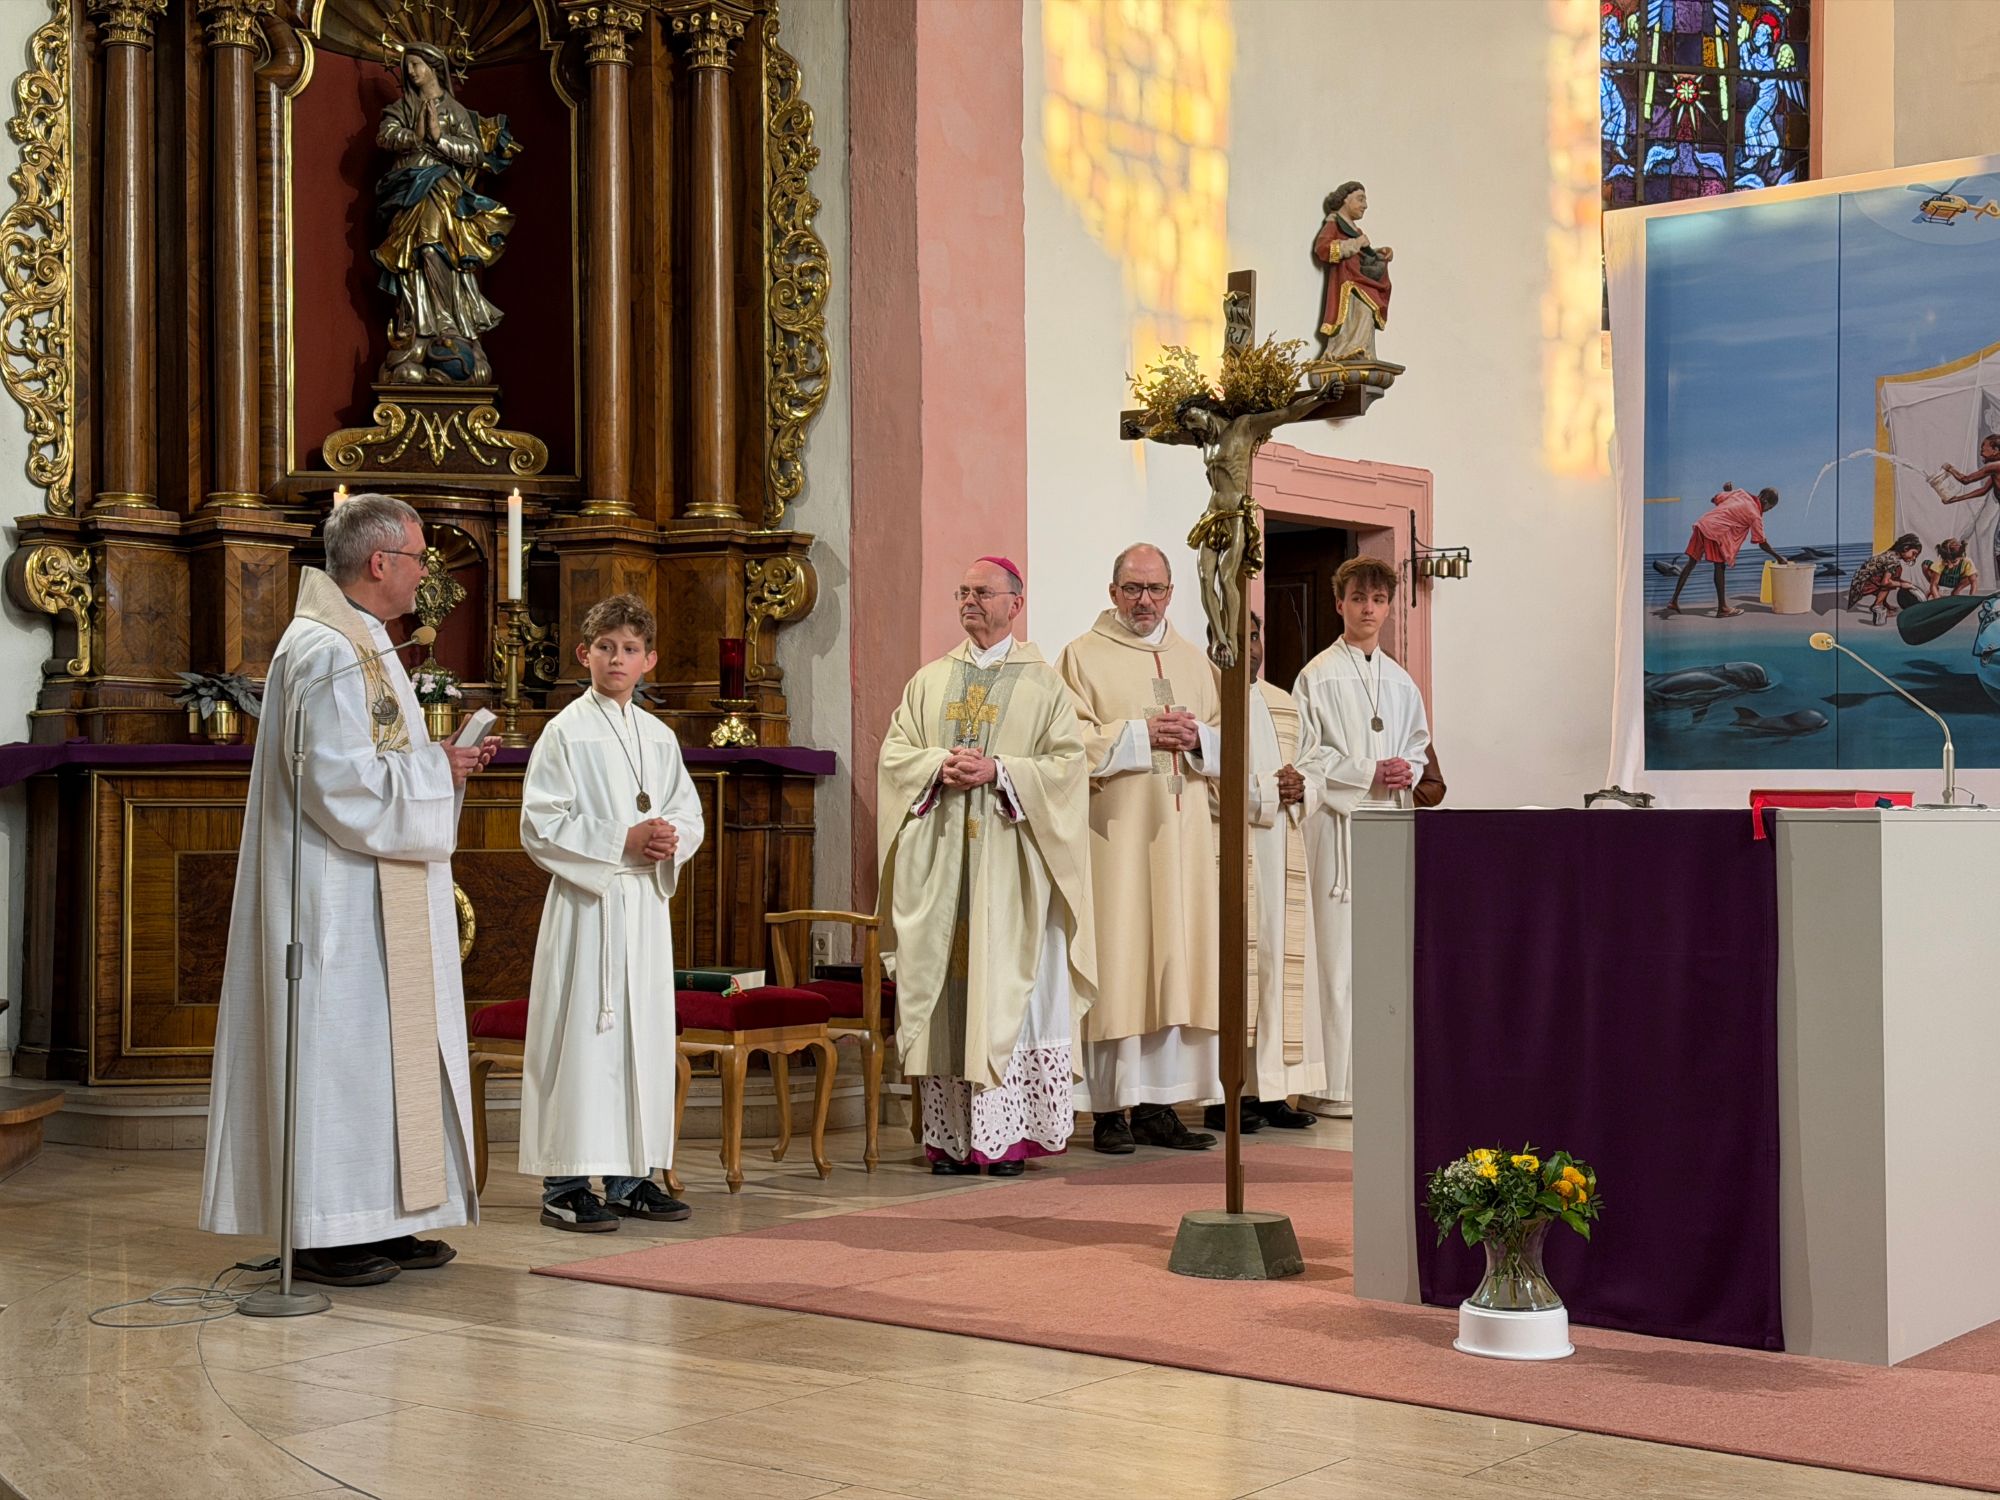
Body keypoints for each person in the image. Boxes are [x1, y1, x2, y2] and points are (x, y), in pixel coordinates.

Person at [201, 493, 498, 1286]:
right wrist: (441, 768)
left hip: (380, 881)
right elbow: (337, 784)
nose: (426, 572)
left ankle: (389, 1218)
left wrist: (445, 763)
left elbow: (371, 765)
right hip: (336, 893)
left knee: (385, 1058)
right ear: (379, 564)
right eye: (419, 558)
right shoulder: (326, 649)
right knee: (342, 1057)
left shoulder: (365, 641)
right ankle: (328, 1231)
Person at [878, 557, 1097, 1176]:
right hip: (944, 865)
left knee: (1008, 993)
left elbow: (1067, 767)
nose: (970, 602)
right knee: (947, 995)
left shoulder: (1044, 683)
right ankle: (949, 1140)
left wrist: (1000, 770)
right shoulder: (929, 680)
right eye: (963, 592)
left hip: (1013, 870)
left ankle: (1006, 1140)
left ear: (1014, 605)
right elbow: (895, 755)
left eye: (983, 593)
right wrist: (935, 767)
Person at [518, 594, 704, 1231]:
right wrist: (620, 841)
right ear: (584, 655)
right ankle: (565, 1184)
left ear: (648, 660)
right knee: (582, 1041)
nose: (616, 659)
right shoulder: (565, 731)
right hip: (588, 905)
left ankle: (630, 1179)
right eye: (605, 648)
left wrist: (668, 839)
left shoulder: (659, 736)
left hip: (643, 906)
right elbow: (540, 824)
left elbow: (686, 811)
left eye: (629, 649)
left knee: (639, 1041)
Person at [1055, 543, 1222, 1153]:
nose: (1143, 601)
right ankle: (1107, 1110)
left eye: (1154, 589)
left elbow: (1231, 741)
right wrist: (1138, 734)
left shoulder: (1196, 661)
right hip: (1117, 839)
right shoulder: (1081, 657)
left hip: (1184, 840)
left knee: (1176, 963)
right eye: (1131, 589)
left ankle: (1160, 1105)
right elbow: (1065, 744)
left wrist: (1199, 738)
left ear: (1172, 593)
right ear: (1112, 592)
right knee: (1123, 961)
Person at [1292, 557, 1431, 1119]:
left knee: (1385, 954)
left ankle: (1378, 1079)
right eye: (1358, 598)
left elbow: (1419, 745)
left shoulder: (1401, 680)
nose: (1369, 608)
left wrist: (1407, 772)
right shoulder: (1316, 675)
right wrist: (1364, 772)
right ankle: (1332, 1086)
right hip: (1338, 829)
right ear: (1339, 604)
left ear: (1390, 606)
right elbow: (1305, 755)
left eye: (1378, 599)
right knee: (1336, 957)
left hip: (1390, 823)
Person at [1205, 611, 1324, 1135]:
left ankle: (1272, 1089)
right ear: (1215, 642)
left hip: (1283, 851)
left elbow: (1316, 763)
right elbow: (1204, 776)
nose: (1248, 645)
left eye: (1253, 634)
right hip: (1229, 850)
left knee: (1279, 967)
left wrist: (1305, 786)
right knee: (1234, 969)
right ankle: (1224, 1094)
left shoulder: (1285, 703)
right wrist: (1267, 791)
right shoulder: (1205, 699)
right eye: (1233, 637)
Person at [373, 41, 521, 384]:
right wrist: (416, 134)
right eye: (407, 66)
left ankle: (447, 322)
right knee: (413, 259)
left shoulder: (455, 110)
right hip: (407, 193)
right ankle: (419, 328)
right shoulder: (400, 108)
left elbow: (472, 151)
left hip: (443, 192)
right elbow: (385, 137)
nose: (410, 72)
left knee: (434, 249)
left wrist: (439, 140)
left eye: (416, 65)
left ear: (435, 67)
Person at [1665, 485, 1786, 618]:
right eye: (1771, 507)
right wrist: (1778, 557)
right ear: (1765, 501)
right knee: (1719, 566)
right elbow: (1762, 542)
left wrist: (1728, 493)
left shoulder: (1740, 493)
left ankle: (1673, 601)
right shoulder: (1755, 515)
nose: (1768, 510)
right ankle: (1723, 608)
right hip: (1715, 531)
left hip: (1703, 524)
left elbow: (1715, 499)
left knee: (1691, 563)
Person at [1312, 181, 1393, 363]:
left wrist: (1379, 252)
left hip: (1361, 281)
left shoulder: (1356, 230)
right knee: (1360, 312)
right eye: (1360, 199)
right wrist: (1355, 244)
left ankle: (1362, 350)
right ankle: (1345, 350)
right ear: (1344, 200)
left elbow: (1364, 256)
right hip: (1347, 285)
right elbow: (1323, 249)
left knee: (1368, 313)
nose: (1365, 205)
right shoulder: (1335, 225)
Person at [1848, 533, 1923, 625]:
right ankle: (1877, 605)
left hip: (1861, 581)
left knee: (1894, 576)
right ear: (1905, 548)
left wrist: (1903, 582)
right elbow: (1885, 582)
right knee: (1892, 578)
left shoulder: (1891, 554)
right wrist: (1901, 584)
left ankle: (1884, 603)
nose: (1914, 558)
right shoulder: (1893, 561)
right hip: (1862, 584)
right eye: (1914, 553)